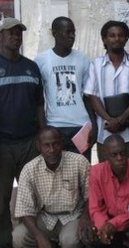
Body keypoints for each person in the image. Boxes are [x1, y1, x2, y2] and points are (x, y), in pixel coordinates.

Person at [0, 17, 45, 248]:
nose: (15, 37)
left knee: (33, 196)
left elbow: (39, 105)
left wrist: (42, 136)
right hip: (1, 144)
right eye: (10, 33)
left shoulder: (32, 67)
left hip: (29, 142)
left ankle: (31, 242)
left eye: (18, 33)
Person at [12, 126, 90, 248]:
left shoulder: (79, 162)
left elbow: (91, 195)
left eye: (55, 144)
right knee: (18, 236)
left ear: (62, 143)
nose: (52, 149)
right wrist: (39, 237)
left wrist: (86, 217)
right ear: (38, 146)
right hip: (46, 217)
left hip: (72, 216)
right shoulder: (29, 169)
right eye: (46, 145)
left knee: (70, 240)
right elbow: (24, 209)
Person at [84, 20, 129, 161]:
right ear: (104, 39)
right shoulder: (96, 64)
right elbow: (93, 96)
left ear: (126, 39)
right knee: (108, 178)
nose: (116, 39)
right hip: (106, 134)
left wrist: (120, 120)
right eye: (112, 35)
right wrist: (109, 120)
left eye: (120, 35)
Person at [35, 17, 96, 161]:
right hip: (55, 127)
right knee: (57, 174)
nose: (72, 36)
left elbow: (88, 95)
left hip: (81, 127)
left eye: (73, 32)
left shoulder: (83, 59)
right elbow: (38, 99)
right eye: (67, 32)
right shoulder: (41, 60)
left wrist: (94, 125)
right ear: (55, 34)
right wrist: (43, 128)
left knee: (82, 172)